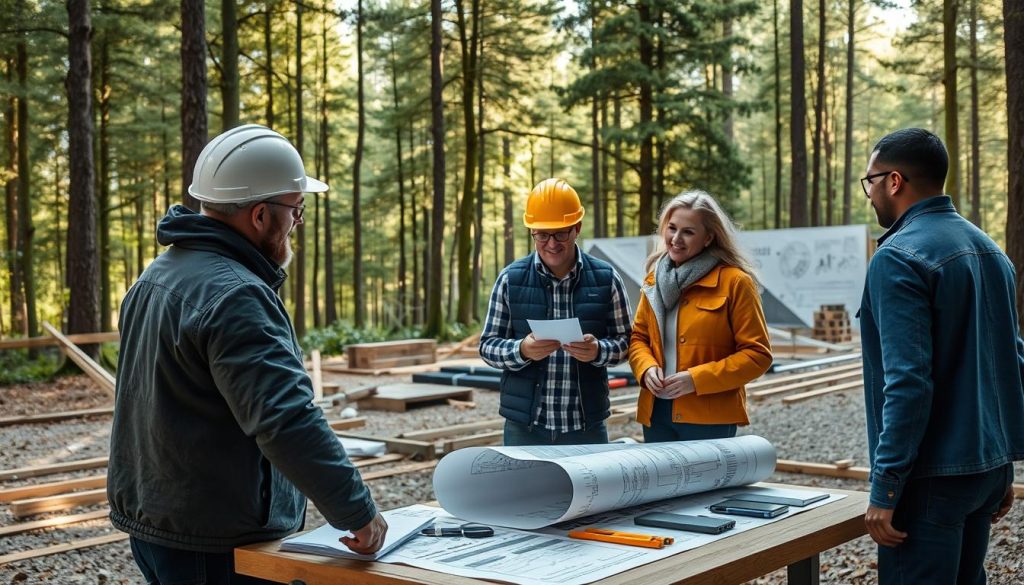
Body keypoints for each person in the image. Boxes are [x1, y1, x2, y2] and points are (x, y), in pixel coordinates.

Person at [107, 124, 387, 585]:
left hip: (158, 523)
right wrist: (357, 509)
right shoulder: (236, 295)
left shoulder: (157, 276)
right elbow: (286, 420)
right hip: (216, 539)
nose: (298, 222)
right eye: (296, 210)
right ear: (259, 215)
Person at [858, 127, 1024, 584]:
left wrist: (886, 486)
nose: (869, 193)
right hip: (983, 472)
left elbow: (908, 382)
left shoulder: (896, 258)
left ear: (894, 181)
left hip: (928, 478)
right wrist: (1000, 464)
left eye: (869, 181)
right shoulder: (991, 250)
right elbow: (1010, 359)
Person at [479, 178, 632, 446]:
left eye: (561, 233)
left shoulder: (607, 278)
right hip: (525, 426)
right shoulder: (509, 279)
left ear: (577, 228)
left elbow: (627, 342)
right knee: (525, 490)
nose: (551, 243)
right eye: (542, 234)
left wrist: (598, 351)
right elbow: (488, 345)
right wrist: (522, 351)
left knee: (589, 490)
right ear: (532, 232)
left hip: (586, 426)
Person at [628, 191, 771, 442]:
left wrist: (696, 380)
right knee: (661, 482)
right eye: (672, 228)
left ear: (708, 238)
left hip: (709, 417)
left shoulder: (735, 282)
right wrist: (646, 367)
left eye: (688, 232)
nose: (676, 239)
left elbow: (757, 355)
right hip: (656, 413)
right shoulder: (653, 280)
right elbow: (638, 338)